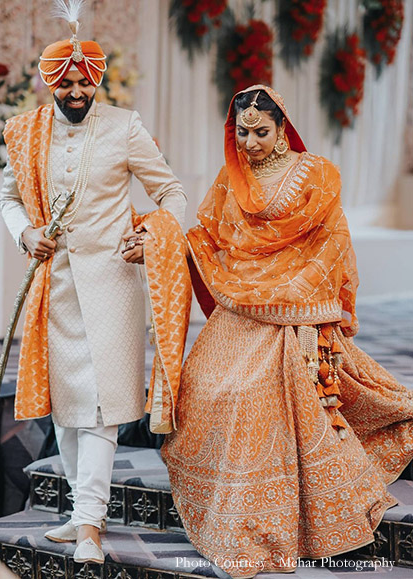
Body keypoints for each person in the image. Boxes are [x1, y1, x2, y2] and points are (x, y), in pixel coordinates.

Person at [161, 85, 413, 576]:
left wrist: (299, 294)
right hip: (241, 306)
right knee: (205, 388)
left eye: (260, 132)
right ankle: (230, 512)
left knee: (259, 393)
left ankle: (338, 531)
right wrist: (157, 237)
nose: (250, 143)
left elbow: (333, 237)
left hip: (297, 311)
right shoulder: (230, 177)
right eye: (241, 133)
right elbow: (207, 235)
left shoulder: (315, 173)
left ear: (282, 129)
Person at [0, 4, 186, 565]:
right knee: (68, 404)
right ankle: (82, 513)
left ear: (97, 80)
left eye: (86, 81)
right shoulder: (27, 132)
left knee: (103, 406)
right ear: (50, 83)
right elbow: (8, 199)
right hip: (52, 291)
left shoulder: (125, 126)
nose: (78, 90)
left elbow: (171, 192)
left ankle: (88, 524)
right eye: (68, 82)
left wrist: (153, 234)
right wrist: (26, 233)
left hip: (114, 286)